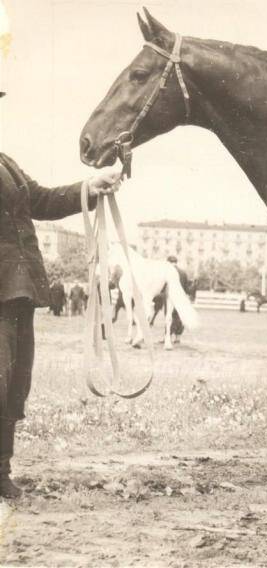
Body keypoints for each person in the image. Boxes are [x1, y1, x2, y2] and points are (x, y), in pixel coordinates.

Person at [0, 89, 122, 498]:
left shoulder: (6, 163)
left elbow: (45, 200)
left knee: (14, 383)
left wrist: (92, 184)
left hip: (18, 291)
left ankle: (0, 472)